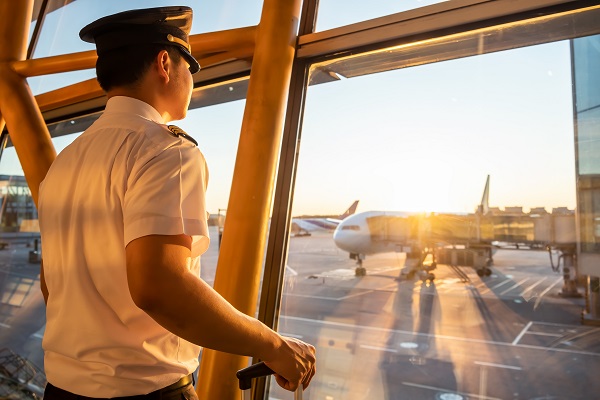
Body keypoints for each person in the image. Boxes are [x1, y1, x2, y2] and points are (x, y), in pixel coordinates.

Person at [38, 6, 316, 399]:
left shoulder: (63, 164)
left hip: (61, 389)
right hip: (146, 392)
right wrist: (274, 346)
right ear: (164, 64)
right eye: (191, 66)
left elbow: (52, 284)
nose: (192, 79)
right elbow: (160, 286)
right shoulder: (166, 151)